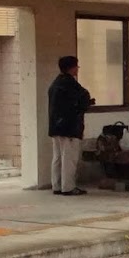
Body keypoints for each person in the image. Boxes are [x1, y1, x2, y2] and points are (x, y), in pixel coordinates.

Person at [47, 55, 95, 196]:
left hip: (55, 126)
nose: (78, 69)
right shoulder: (70, 84)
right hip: (69, 127)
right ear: (72, 68)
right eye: (76, 66)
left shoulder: (55, 84)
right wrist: (87, 103)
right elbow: (83, 98)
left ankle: (56, 185)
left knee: (57, 157)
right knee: (69, 158)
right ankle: (68, 187)